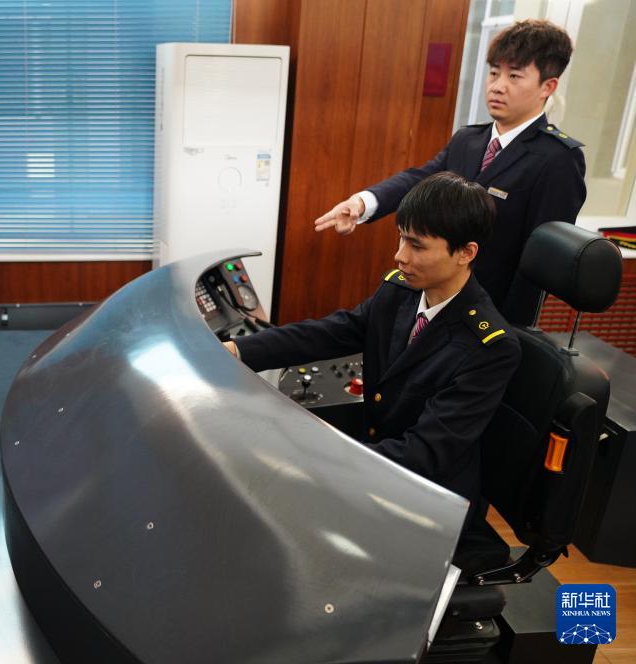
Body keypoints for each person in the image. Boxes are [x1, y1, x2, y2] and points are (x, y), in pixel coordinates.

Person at [228, 172, 521, 525]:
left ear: (465, 253)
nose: (400, 256)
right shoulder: (400, 291)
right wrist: (238, 350)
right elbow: (331, 332)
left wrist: (316, 464)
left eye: (417, 246)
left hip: (427, 500)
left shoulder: (490, 347)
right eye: (401, 238)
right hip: (378, 464)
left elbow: (424, 453)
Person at [314, 19, 585, 326]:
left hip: (487, 317)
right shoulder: (468, 140)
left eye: (514, 76)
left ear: (548, 87)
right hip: (433, 302)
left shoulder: (557, 159)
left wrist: (508, 331)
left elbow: (539, 264)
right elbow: (420, 180)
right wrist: (363, 202)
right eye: (494, 73)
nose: (497, 86)